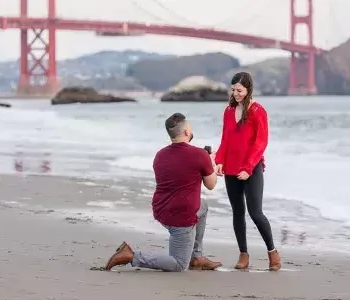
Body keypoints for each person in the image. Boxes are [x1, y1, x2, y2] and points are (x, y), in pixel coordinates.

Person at [105, 113, 222, 272]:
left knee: (203, 206)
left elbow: (181, 173)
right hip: (181, 216)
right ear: (187, 132)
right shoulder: (200, 155)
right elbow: (211, 184)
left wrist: (205, 164)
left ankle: (196, 256)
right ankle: (131, 256)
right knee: (179, 264)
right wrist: (211, 164)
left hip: (161, 209)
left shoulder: (160, 155)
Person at [213, 72, 281, 271]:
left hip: (251, 168)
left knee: (255, 212)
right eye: (233, 90)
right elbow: (225, 139)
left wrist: (248, 167)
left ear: (249, 89)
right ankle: (243, 254)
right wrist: (219, 161)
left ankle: (272, 252)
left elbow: (261, 143)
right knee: (237, 212)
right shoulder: (228, 111)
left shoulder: (258, 111)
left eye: (240, 90)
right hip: (232, 168)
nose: (236, 94)